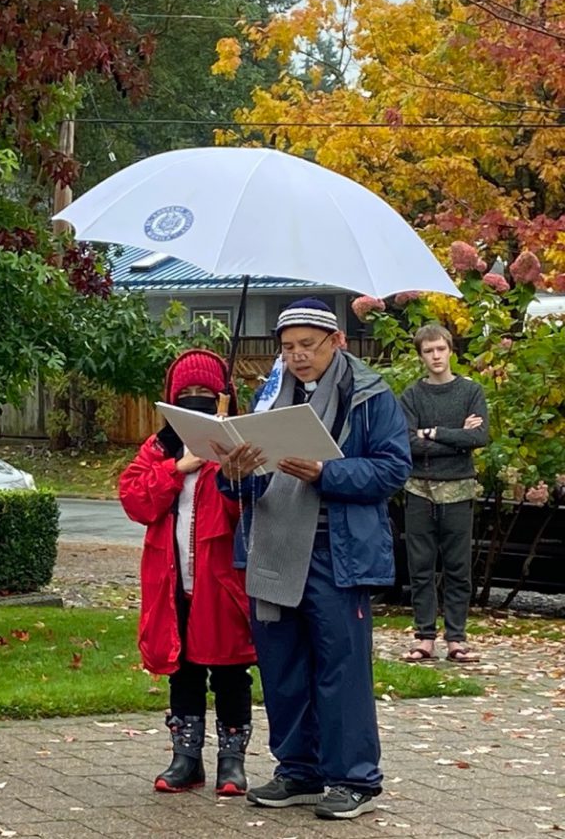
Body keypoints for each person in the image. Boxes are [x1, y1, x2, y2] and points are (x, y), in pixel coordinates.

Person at [213, 298, 411, 821]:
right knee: (283, 666)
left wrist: (326, 472)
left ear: (337, 342)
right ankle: (299, 770)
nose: (297, 357)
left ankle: (355, 780)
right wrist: (234, 468)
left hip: (337, 551)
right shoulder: (269, 395)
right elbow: (239, 483)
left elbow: (393, 471)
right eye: (288, 347)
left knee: (341, 669)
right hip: (274, 547)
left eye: (307, 346)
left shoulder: (371, 396)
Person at [119, 349, 257, 796]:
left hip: (222, 584)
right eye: (186, 395)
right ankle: (186, 758)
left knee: (231, 672)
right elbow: (136, 501)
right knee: (184, 670)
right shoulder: (159, 449)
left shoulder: (238, 447)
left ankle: (232, 762)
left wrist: (232, 477)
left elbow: (247, 514)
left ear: (223, 398)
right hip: (173, 583)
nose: (195, 400)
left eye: (205, 393)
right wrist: (179, 468)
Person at [398, 323, 488, 664]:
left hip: (459, 490)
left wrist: (433, 432)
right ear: (421, 355)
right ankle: (424, 637)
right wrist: (454, 438)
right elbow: (406, 442)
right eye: (428, 351)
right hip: (419, 490)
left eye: (440, 349)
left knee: (457, 567)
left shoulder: (470, 391)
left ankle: (457, 639)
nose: (435, 356)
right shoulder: (411, 395)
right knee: (420, 566)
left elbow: (478, 438)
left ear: (450, 350)